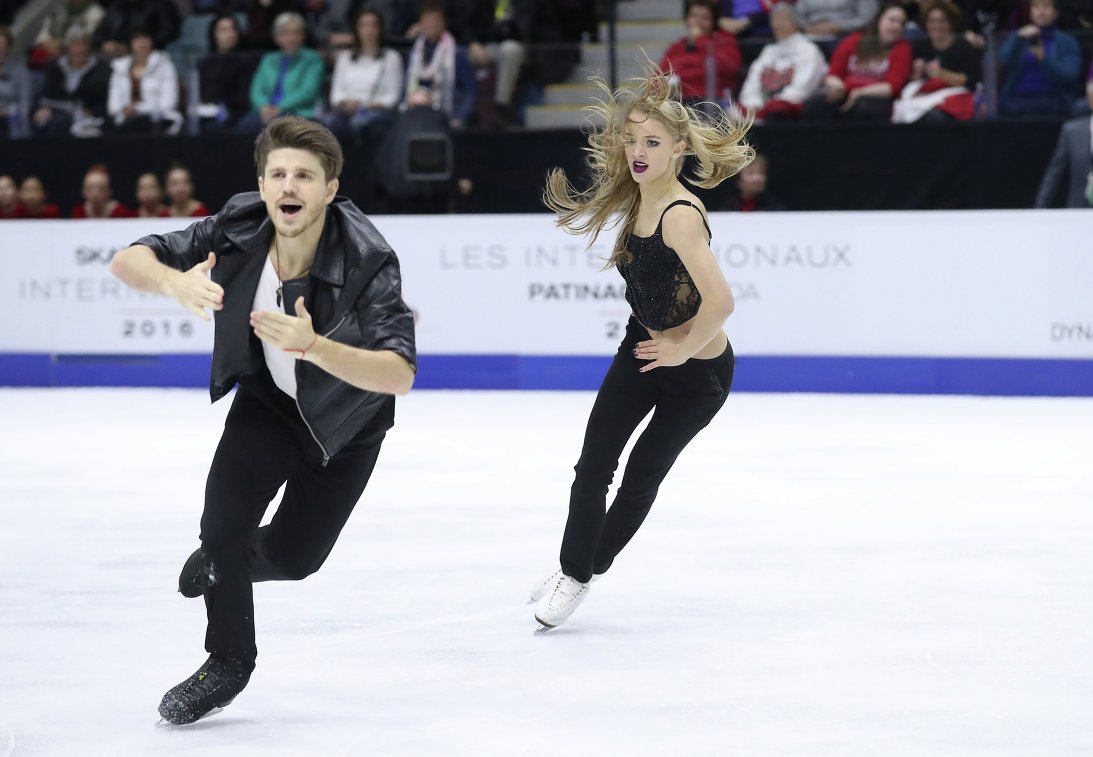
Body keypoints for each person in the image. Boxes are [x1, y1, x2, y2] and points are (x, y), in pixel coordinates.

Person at [108, 116, 416, 725]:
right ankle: (228, 660)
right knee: (220, 524)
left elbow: (399, 374)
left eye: (304, 174)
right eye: (278, 173)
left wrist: (316, 347)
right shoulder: (241, 221)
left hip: (347, 425)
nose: (288, 185)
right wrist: (174, 284)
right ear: (262, 181)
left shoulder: (368, 257)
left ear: (330, 188)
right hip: (270, 405)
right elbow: (127, 259)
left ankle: (228, 562)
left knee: (297, 559)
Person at [532, 65, 751, 630]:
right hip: (640, 350)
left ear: (679, 149)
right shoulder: (637, 201)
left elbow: (722, 302)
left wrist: (681, 352)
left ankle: (585, 569)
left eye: (652, 141)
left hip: (698, 378)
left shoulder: (681, 216)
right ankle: (574, 569)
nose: (637, 150)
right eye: (631, 140)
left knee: (638, 478)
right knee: (592, 467)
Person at [803, 3, 912, 121]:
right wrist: (837, 86)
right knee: (815, 106)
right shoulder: (854, 40)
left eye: (901, 23)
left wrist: (860, 92)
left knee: (863, 108)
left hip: (876, 98)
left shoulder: (902, 48)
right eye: (892, 20)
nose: (896, 26)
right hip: (844, 93)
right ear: (879, 20)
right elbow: (832, 75)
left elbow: (892, 87)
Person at [893, 0, 981, 122]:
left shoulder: (964, 46)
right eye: (932, 21)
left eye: (942, 21)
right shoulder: (920, 45)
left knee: (932, 117)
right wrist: (917, 72)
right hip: (926, 96)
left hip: (956, 99)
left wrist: (942, 74)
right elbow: (912, 81)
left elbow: (970, 81)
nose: (936, 25)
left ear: (950, 22)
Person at [737, 3, 826, 121]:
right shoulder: (769, 51)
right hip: (762, 108)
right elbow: (752, 82)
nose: (777, 24)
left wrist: (769, 107)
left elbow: (803, 89)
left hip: (790, 112)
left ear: (795, 22)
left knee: (777, 110)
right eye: (774, 20)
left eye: (782, 19)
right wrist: (754, 103)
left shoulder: (808, 50)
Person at [238, 12, 324, 132]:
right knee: (244, 127)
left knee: (273, 129)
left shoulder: (312, 59)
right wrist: (264, 107)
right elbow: (256, 91)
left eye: (296, 32)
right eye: (286, 33)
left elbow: (308, 92)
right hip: (265, 111)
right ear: (277, 37)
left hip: (298, 112)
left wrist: (279, 107)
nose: (291, 38)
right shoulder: (268, 59)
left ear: (303, 36)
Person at [325, 8, 403, 139]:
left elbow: (393, 97)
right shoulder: (344, 57)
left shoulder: (391, 57)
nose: (369, 30)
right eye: (364, 25)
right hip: (348, 110)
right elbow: (336, 95)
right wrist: (345, 103)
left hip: (377, 110)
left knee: (359, 123)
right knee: (330, 122)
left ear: (380, 29)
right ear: (357, 29)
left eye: (373, 25)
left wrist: (371, 104)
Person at [997, 0, 1081, 116]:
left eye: (1046, 7)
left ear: (1055, 13)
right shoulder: (1019, 37)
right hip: (1017, 99)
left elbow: (1070, 76)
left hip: (1054, 100)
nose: (1041, 12)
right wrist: (1017, 38)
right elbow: (1004, 61)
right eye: (1036, 7)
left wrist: (1044, 59)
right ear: (1030, 12)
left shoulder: (1067, 41)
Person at [403, 1, 477, 129]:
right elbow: (405, 88)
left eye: (435, 21)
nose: (431, 25)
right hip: (416, 113)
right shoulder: (414, 54)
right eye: (428, 21)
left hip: (447, 114)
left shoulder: (457, 54)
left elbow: (469, 92)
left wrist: (459, 117)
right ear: (420, 24)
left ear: (443, 24)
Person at [32, 25, 112, 138]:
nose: (79, 49)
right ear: (67, 47)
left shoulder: (102, 69)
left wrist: (88, 112)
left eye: (83, 44)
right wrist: (41, 109)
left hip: (90, 118)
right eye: (75, 45)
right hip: (56, 113)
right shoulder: (53, 67)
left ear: (89, 47)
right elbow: (46, 95)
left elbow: (105, 101)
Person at [658, 0, 742, 104]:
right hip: (679, 101)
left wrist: (700, 41)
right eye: (694, 16)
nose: (699, 22)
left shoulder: (723, 42)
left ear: (713, 22)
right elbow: (660, 76)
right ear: (687, 19)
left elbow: (731, 68)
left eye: (705, 17)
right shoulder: (677, 47)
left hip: (713, 101)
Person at [106, 25, 182, 134]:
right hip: (124, 123)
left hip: (158, 122)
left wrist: (138, 109)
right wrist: (125, 111)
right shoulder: (119, 68)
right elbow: (113, 107)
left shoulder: (165, 66)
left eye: (145, 38)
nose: (142, 43)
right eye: (137, 39)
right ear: (130, 43)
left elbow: (168, 104)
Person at [196, 13, 259, 134]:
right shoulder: (204, 63)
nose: (229, 35)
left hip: (237, 113)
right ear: (214, 34)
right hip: (207, 112)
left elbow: (244, 97)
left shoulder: (247, 61)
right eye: (223, 30)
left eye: (233, 29)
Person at [1035, 79, 1093, 207]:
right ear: (1090, 102)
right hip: (1078, 212)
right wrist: (1039, 209)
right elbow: (1055, 173)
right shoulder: (1072, 132)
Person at [0, 25, 31, 138]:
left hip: (11, 119)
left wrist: (8, 111)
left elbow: (25, 101)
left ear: (8, 48)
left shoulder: (20, 71)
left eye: (2, 47)